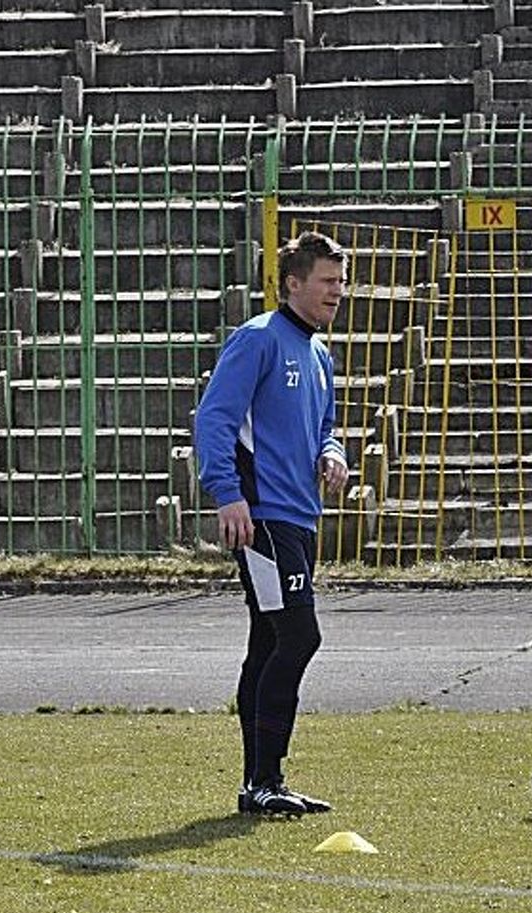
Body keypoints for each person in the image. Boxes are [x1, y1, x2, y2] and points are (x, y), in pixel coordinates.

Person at [191, 230, 350, 818]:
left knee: (270, 640)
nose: (339, 291)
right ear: (293, 283)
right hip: (261, 518)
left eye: (341, 281)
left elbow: (325, 424)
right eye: (327, 281)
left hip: (299, 518)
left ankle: (261, 785)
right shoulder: (257, 340)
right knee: (298, 636)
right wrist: (227, 494)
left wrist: (332, 453)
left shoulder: (318, 354)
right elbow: (214, 419)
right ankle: (264, 780)